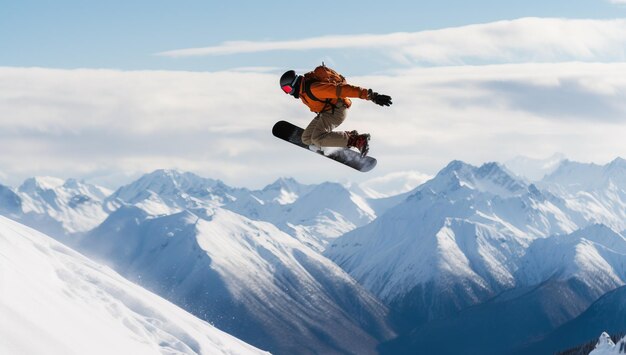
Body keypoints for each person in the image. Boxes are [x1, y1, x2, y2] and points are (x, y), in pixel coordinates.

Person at [279, 65, 392, 156]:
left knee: (317, 138)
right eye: (285, 91)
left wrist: (371, 96)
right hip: (327, 112)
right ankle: (337, 139)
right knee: (306, 138)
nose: (288, 92)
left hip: (337, 111)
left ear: (294, 83)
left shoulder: (314, 88)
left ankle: (357, 140)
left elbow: (342, 90)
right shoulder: (303, 91)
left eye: (288, 89)